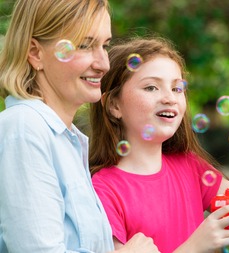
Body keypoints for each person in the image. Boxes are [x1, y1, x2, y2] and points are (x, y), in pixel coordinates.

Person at [89, 37, 229, 253]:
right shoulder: (103, 191)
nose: (169, 98)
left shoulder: (189, 167)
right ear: (114, 105)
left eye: (177, 88)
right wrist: (193, 247)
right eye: (152, 87)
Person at [0, 1, 159, 252]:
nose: (103, 64)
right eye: (85, 45)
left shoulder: (68, 139)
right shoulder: (24, 128)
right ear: (35, 53)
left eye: (104, 45)